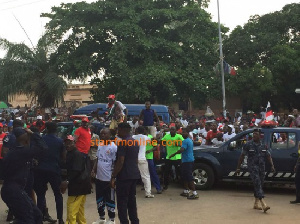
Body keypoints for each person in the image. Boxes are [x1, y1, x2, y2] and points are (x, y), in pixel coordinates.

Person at [1, 127, 46, 223]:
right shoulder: (20, 151)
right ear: (24, 139)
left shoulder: (16, 152)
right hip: (14, 190)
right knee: (27, 219)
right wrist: (34, 134)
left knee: (36, 214)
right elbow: (42, 147)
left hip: (14, 190)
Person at [235, 129, 275, 212]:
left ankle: (256, 204)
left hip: (262, 167)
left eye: (256, 134)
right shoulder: (248, 144)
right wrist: (238, 168)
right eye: (253, 134)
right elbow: (242, 156)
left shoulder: (264, 144)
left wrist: (272, 165)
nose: (254, 136)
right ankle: (263, 203)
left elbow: (268, 156)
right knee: (257, 182)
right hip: (253, 167)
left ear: (260, 135)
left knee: (259, 184)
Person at [34, 122, 65, 224]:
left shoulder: (41, 139)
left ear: (46, 129)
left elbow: (37, 153)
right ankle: (60, 219)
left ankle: (39, 219)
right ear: (56, 130)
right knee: (58, 195)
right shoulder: (60, 141)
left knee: (41, 195)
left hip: (41, 170)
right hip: (54, 170)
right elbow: (63, 158)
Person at [110, 123, 140, 224]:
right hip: (134, 174)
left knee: (122, 203)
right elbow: (136, 160)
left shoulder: (123, 143)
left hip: (124, 176)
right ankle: (135, 221)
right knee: (132, 201)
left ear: (123, 130)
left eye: (118, 129)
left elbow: (120, 161)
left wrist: (113, 176)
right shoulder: (135, 142)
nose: (117, 132)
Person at [60, 135, 92, 224]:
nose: (68, 145)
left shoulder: (76, 154)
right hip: (81, 185)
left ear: (74, 143)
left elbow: (76, 171)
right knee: (79, 209)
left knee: (71, 207)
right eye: (66, 143)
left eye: (70, 143)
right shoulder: (70, 153)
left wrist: (66, 181)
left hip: (79, 186)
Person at [91, 128, 117, 224]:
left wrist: (113, 178)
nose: (102, 135)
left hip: (108, 178)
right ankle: (101, 218)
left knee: (110, 199)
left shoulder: (113, 147)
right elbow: (98, 159)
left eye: (104, 134)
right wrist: (94, 170)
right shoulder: (100, 145)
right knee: (99, 198)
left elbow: (115, 163)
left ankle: (111, 219)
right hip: (99, 178)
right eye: (101, 133)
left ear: (109, 135)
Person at [169, 128, 198, 199]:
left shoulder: (185, 141)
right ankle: (186, 191)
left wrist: (173, 154)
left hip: (187, 161)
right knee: (184, 176)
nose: (182, 133)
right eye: (182, 132)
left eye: (184, 132)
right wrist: (179, 145)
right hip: (188, 160)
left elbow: (182, 149)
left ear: (188, 133)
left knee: (188, 176)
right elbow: (184, 146)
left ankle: (195, 193)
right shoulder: (189, 140)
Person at [133, 126, 154, 198]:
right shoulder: (145, 137)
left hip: (133, 159)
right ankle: (148, 193)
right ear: (144, 131)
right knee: (146, 176)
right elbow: (153, 141)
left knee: (132, 176)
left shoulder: (133, 137)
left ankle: (131, 192)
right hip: (142, 158)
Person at [145, 128, 162, 194]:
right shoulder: (140, 137)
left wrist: (150, 150)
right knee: (144, 174)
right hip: (142, 157)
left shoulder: (151, 137)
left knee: (153, 173)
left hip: (149, 158)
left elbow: (155, 147)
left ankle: (158, 188)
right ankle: (146, 186)